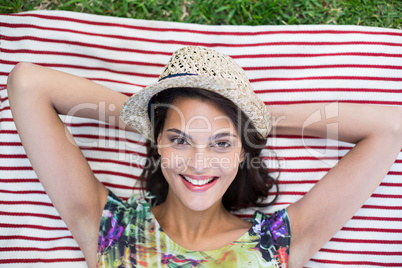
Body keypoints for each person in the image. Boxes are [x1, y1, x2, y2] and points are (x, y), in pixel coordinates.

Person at [7, 46, 402, 268]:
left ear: (243, 151)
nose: (198, 163)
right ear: (156, 144)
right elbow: (28, 84)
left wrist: (255, 122)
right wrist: (153, 117)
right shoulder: (109, 229)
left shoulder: (276, 244)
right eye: (179, 141)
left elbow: (390, 127)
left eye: (221, 143)